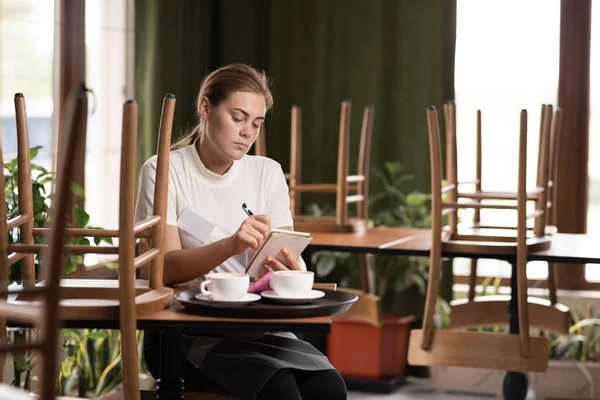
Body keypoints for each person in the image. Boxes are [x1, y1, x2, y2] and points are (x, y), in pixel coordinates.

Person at [134, 63, 347, 400]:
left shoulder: (267, 173)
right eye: (238, 117)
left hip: (258, 325)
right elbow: (160, 270)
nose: (248, 131)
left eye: (257, 123)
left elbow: (283, 255)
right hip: (185, 332)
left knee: (329, 387)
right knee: (280, 391)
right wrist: (231, 244)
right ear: (206, 107)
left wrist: (291, 270)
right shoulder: (164, 171)